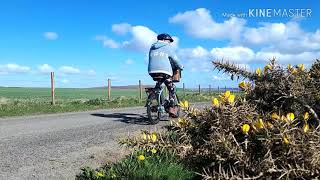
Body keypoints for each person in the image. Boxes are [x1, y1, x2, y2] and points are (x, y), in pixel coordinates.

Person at [148, 33, 183, 117]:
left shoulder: (152, 47)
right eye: (168, 41)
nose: (169, 43)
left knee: (159, 85)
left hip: (152, 71)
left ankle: (154, 99)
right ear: (163, 40)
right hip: (164, 71)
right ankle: (172, 108)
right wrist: (181, 66)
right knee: (171, 88)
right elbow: (175, 59)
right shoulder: (167, 47)